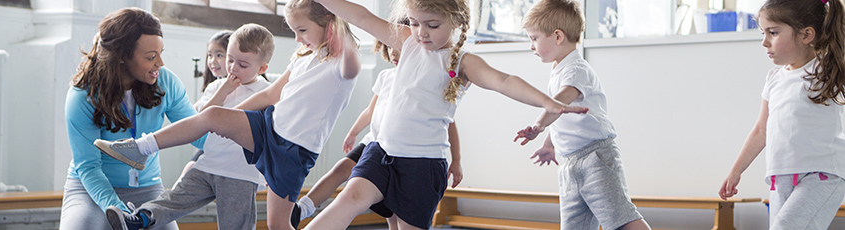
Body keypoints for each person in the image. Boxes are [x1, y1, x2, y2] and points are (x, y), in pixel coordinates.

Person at [306, 0, 589, 229]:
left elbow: (504, 81)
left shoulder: (463, 62)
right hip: (381, 153)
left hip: (421, 166)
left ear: (456, 22)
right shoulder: (407, 42)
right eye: (414, 22)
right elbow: (362, 17)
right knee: (349, 198)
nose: (421, 32)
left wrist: (548, 103)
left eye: (432, 25)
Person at [94, 0, 361, 229]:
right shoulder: (302, 57)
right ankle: (140, 149)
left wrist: (345, 39)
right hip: (269, 127)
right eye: (294, 31)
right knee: (213, 116)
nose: (298, 39)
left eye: (302, 30)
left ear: (330, 24)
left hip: (293, 149)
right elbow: (270, 95)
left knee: (278, 225)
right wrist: (229, 118)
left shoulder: (341, 62)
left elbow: (351, 69)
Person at [103, 23, 273, 230]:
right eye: (230, 60)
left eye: (243, 65)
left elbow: (272, 137)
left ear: (262, 68)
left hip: (240, 173)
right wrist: (224, 90)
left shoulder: (267, 93)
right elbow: (201, 120)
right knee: (175, 198)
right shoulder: (216, 86)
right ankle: (139, 218)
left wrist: (269, 171)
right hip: (208, 164)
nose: (233, 68)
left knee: (235, 224)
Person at [290, 41, 464, 228]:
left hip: (404, 152)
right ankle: (302, 208)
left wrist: (456, 160)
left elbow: (448, 122)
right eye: (390, 47)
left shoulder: (425, 84)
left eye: (399, 49)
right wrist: (353, 132)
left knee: (395, 214)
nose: (394, 53)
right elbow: (370, 111)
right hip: (374, 143)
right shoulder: (386, 77)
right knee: (342, 169)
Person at [60, 7, 204, 230]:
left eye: (161, 53)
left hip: (148, 189)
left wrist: (244, 142)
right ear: (121, 56)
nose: (160, 63)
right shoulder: (82, 95)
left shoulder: (166, 82)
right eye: (151, 57)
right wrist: (119, 211)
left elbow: (198, 133)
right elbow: (88, 166)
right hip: (90, 189)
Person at [512, 1, 651, 229]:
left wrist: (538, 125)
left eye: (534, 38)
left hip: (595, 158)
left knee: (620, 219)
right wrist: (549, 144)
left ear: (558, 36)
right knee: (574, 226)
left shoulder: (577, 69)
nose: (531, 46)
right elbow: (563, 115)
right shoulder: (558, 70)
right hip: (570, 164)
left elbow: (560, 102)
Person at [718, 0, 845, 228]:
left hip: (822, 175)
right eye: (763, 33)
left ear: (806, 35)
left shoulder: (826, 71)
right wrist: (736, 171)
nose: (764, 42)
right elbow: (760, 130)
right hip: (781, 176)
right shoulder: (774, 79)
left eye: (773, 33)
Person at [175, 30, 233, 189]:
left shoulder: (243, 86)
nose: (213, 61)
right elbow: (197, 114)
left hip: (230, 149)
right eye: (210, 55)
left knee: (191, 169)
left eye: (219, 55)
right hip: (213, 146)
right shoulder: (214, 86)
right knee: (188, 171)